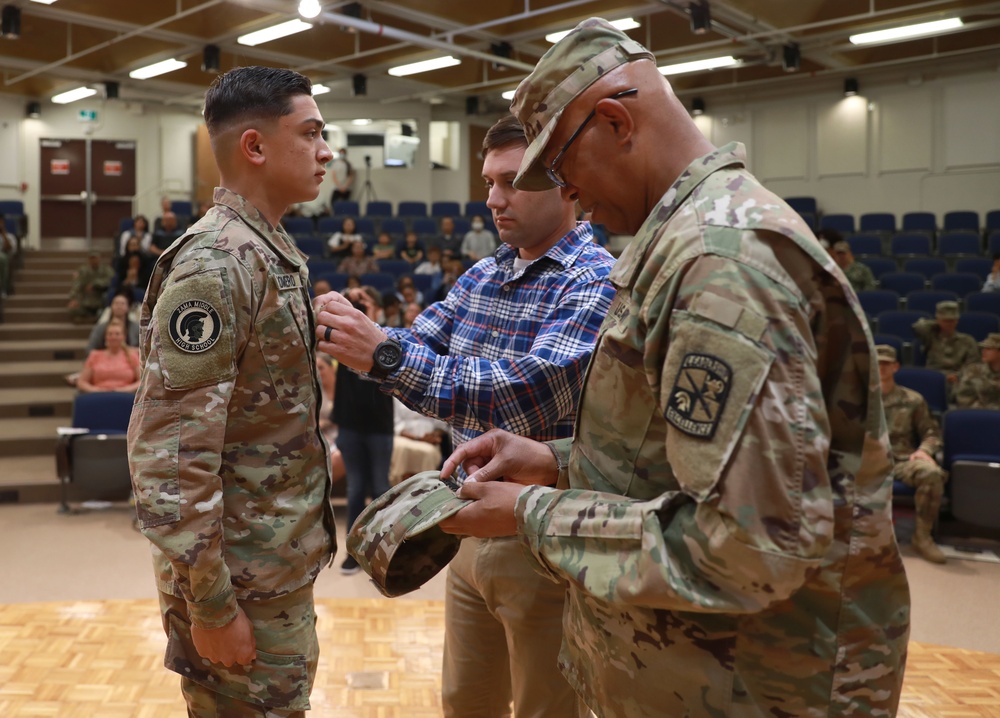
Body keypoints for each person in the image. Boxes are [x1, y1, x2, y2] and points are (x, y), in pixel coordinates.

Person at [435, 18, 910, 717]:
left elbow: (749, 547)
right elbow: (681, 460)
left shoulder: (722, 261)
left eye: (562, 171)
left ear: (616, 123)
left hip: (758, 687)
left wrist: (537, 514)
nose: (569, 197)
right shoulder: (683, 243)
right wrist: (557, 460)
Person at [314, 113, 616, 718]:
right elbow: (422, 341)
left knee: (546, 707)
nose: (493, 201)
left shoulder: (595, 281)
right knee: (465, 702)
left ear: (570, 188)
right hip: (468, 524)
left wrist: (385, 351)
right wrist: (359, 333)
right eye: (488, 183)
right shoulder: (487, 270)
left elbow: (525, 393)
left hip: (541, 535)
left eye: (512, 182)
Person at [126, 66, 337, 717]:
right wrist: (212, 606)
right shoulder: (214, 264)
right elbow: (169, 461)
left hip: (270, 568)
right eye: (311, 133)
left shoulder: (266, 249)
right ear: (255, 146)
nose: (327, 151)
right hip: (239, 585)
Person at [329, 286, 394, 575]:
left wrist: (372, 317)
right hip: (351, 424)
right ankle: (354, 552)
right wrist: (345, 304)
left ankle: (383, 551)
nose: (360, 309)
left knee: (380, 488)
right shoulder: (343, 337)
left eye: (365, 304)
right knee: (356, 488)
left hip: (380, 425)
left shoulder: (390, 338)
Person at [878, 344, 949, 563]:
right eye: (877, 362)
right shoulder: (857, 399)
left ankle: (922, 536)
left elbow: (931, 434)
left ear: (896, 367)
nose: (881, 367)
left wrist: (924, 450)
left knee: (931, 473)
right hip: (865, 459)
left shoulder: (913, 400)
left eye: (886, 364)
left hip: (901, 460)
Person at [912, 300, 980, 383]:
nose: (949, 324)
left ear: (957, 321)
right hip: (933, 376)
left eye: (952, 321)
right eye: (945, 321)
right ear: (937, 320)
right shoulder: (930, 335)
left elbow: (973, 365)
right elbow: (918, 327)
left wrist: (958, 375)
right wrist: (936, 324)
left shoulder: (967, 340)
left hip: (959, 379)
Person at [389, 398, 448, 485]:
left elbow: (442, 424)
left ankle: (426, 488)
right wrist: (417, 438)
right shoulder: (397, 392)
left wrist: (434, 435)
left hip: (429, 440)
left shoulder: (435, 393)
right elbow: (396, 423)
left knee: (429, 452)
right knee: (401, 448)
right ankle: (397, 487)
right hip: (403, 437)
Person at [77, 320, 141, 393]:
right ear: (105, 337)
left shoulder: (131, 355)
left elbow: (142, 381)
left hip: (125, 395)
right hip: (98, 395)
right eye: (110, 334)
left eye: (117, 334)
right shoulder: (95, 355)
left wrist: (124, 390)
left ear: (123, 337)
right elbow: (82, 382)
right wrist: (98, 390)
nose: (113, 337)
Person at [315, 353, 347, 483]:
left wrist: (327, 422)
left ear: (332, 368)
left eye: (321, 368)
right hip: (322, 436)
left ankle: (319, 490)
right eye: (315, 369)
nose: (318, 372)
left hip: (344, 435)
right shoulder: (314, 393)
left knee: (342, 454)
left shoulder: (344, 390)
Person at [954, 332, 1000, 409]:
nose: (983, 351)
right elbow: (963, 398)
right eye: (983, 348)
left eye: (989, 349)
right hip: (978, 415)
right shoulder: (973, 371)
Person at [67, 252, 114, 323]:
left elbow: (111, 280)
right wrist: (74, 298)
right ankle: (92, 318)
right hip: (86, 300)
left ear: (99, 259)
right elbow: (77, 284)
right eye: (91, 258)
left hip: (101, 299)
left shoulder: (106, 270)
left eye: (95, 258)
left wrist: (95, 284)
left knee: (107, 311)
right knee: (72, 310)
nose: (93, 261)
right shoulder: (83, 270)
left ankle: (90, 318)